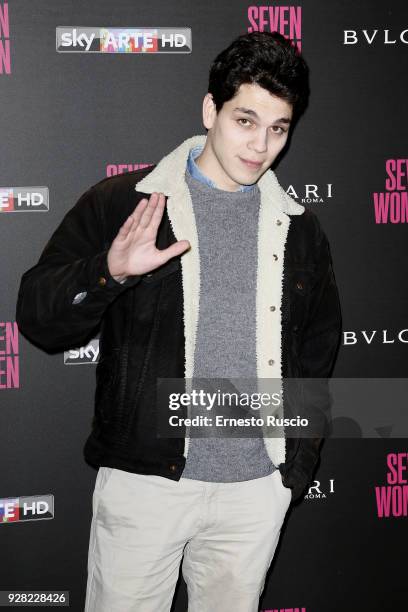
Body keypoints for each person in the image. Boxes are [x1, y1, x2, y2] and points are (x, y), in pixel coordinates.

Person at [16, 31, 342, 612]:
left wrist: (293, 466)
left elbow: (318, 350)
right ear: (210, 109)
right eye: (245, 120)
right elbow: (39, 319)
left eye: (279, 128)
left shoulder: (300, 229)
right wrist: (109, 273)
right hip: (148, 483)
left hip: (254, 490)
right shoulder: (128, 202)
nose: (261, 145)